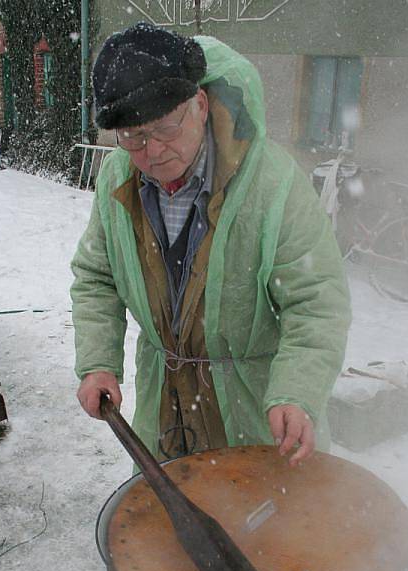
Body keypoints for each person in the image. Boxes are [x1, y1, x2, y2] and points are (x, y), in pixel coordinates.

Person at [71, 23, 351, 466]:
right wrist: (98, 361)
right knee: (172, 524)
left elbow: (315, 301)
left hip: (256, 414)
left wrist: (296, 393)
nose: (153, 151)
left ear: (199, 105)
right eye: (133, 137)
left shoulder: (271, 185)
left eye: (165, 128)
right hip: (163, 409)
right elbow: (96, 278)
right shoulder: (117, 179)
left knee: (263, 527)